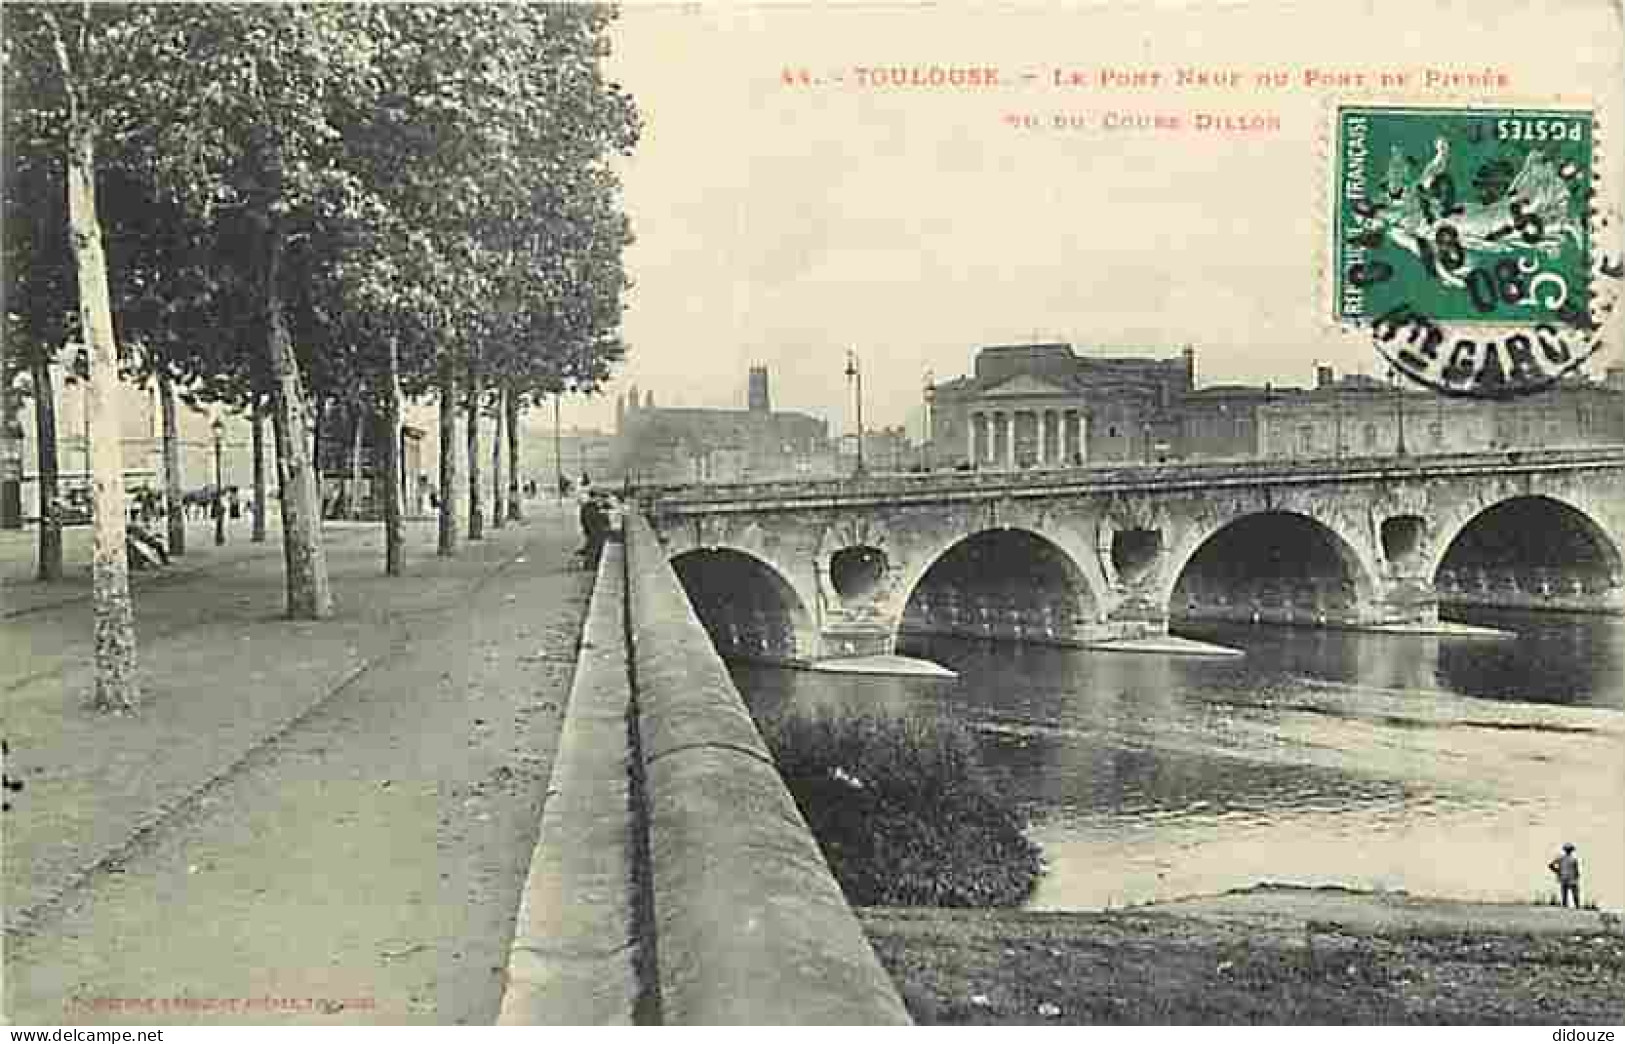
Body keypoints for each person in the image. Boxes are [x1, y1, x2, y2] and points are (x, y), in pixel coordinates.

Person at [1549, 843, 1581, 908]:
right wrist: (1557, 871)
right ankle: (1576, 906)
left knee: (1565, 894)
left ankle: (1567, 906)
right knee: (1574, 894)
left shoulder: (1561, 858)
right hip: (1571, 878)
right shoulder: (1572, 859)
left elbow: (1551, 865)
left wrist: (1557, 871)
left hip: (1564, 877)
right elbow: (1576, 870)